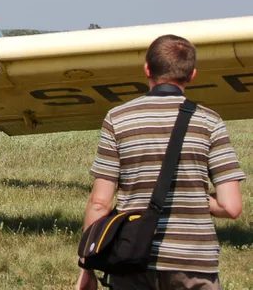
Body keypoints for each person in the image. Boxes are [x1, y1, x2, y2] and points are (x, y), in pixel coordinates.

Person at [77, 35, 245, 290]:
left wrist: (87, 266)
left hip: (132, 257)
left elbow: (100, 202)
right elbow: (231, 207)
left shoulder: (117, 119)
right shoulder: (211, 122)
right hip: (193, 261)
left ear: (147, 69)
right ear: (192, 75)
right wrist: (195, 198)